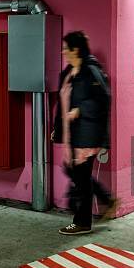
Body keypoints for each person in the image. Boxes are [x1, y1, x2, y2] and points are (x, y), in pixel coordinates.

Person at [51, 31, 116, 235]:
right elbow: (61, 104)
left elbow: (103, 100)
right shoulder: (68, 73)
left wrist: (80, 110)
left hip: (87, 134)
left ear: (75, 49)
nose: (63, 51)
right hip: (73, 135)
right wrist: (58, 129)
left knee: (80, 177)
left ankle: (82, 221)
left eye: (65, 48)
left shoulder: (91, 71)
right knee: (76, 173)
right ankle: (105, 199)